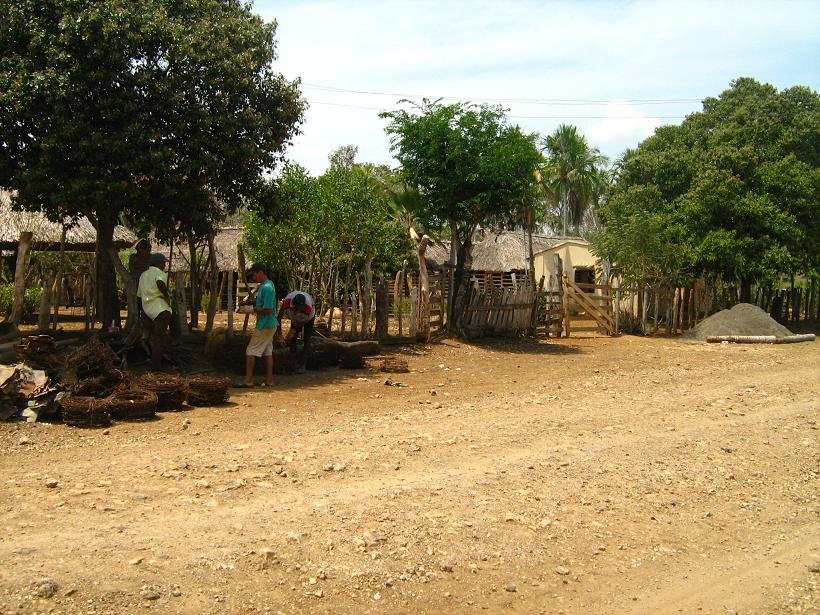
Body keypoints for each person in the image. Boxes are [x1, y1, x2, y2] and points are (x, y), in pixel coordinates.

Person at [239, 263, 277, 387]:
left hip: (265, 324)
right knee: (267, 352)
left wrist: (252, 309)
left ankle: (248, 380)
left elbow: (268, 309)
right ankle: (269, 380)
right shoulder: (266, 285)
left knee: (250, 350)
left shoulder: (267, 288)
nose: (254, 278)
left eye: (255, 275)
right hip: (270, 324)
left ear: (260, 272)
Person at [137, 253, 172, 371]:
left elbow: (139, 297)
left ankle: (152, 360)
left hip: (147, 310)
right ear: (158, 263)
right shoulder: (160, 273)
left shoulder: (143, 275)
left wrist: (142, 313)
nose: (164, 265)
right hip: (161, 310)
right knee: (159, 339)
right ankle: (156, 367)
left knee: (153, 337)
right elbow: (160, 283)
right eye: (163, 263)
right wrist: (167, 296)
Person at [276, 291, 315, 374]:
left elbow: (300, 323)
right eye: (298, 308)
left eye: (301, 308)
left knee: (307, 338)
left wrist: (292, 331)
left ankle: (303, 363)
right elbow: (278, 319)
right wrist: (280, 335)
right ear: (293, 304)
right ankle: (293, 361)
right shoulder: (286, 302)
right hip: (294, 317)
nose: (300, 309)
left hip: (307, 318)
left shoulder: (308, 308)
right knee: (293, 339)